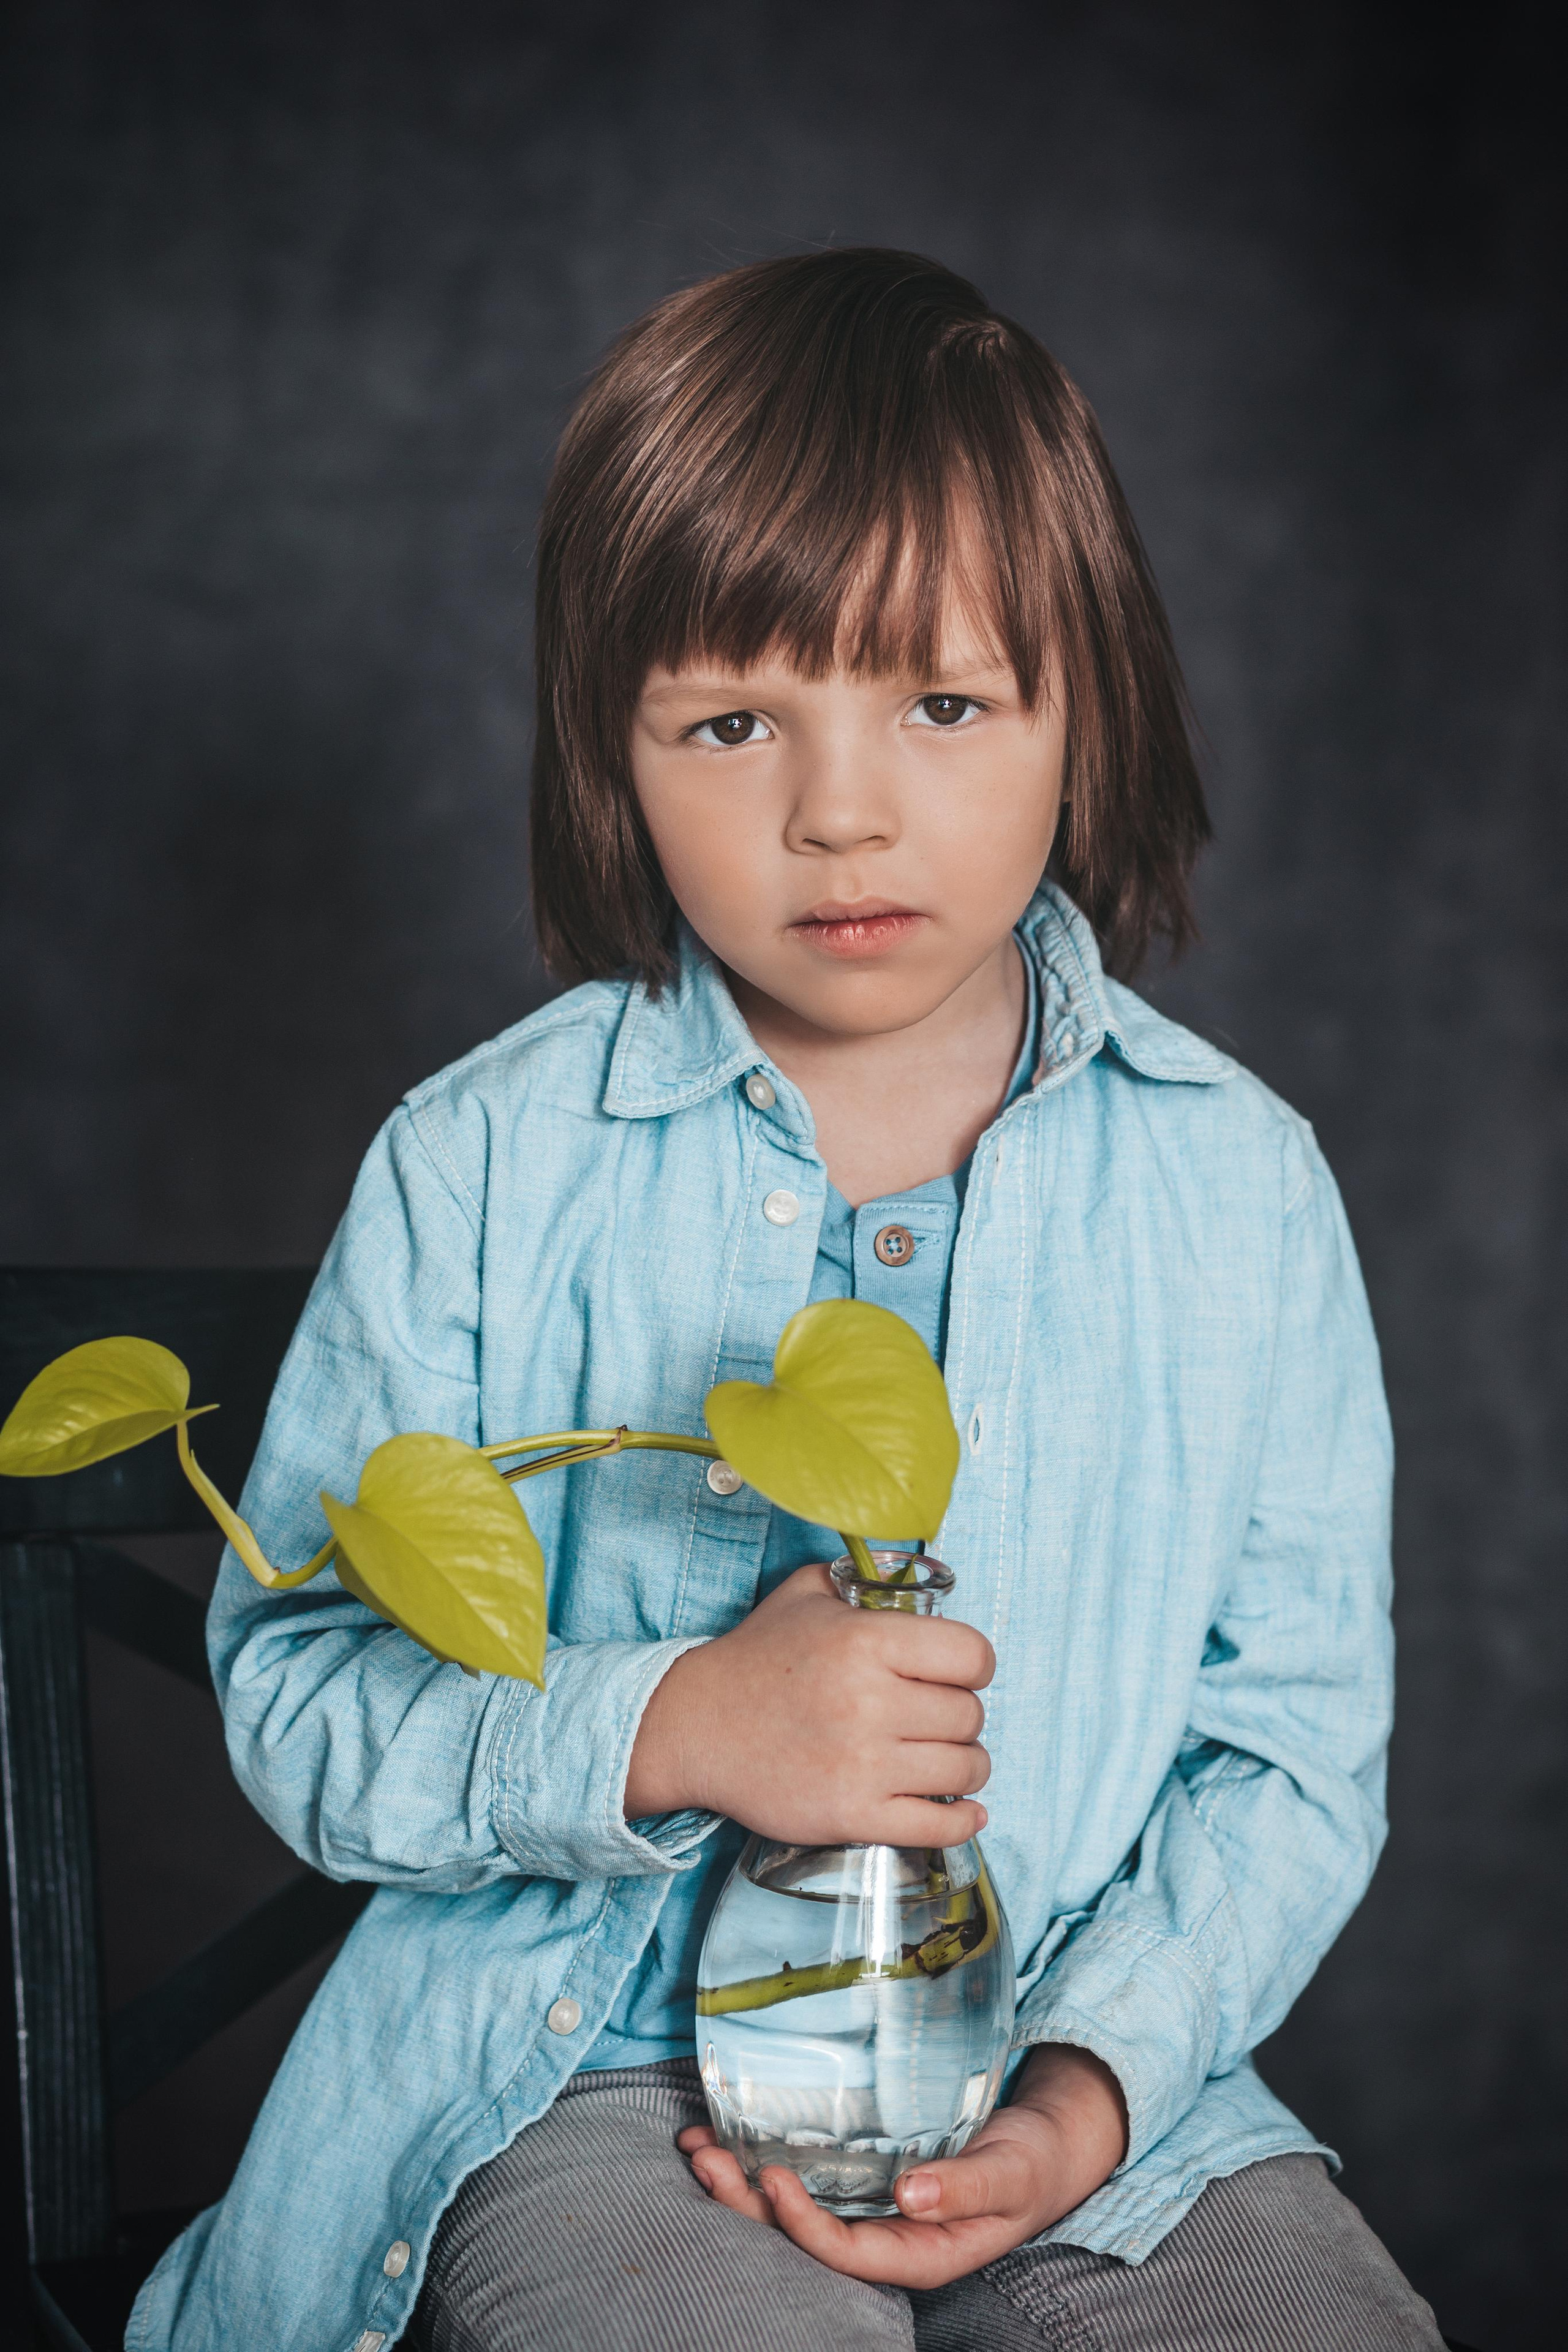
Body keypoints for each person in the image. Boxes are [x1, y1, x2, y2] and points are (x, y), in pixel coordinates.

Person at [129, 250, 1442, 2352]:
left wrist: (1092, 2096)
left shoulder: (1238, 1189)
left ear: (1078, 698)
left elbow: (1290, 1752)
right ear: (614, 750)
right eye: (735, 721)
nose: (842, 810)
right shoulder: (481, 1164)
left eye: (942, 703)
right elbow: (300, 1695)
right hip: (578, 2082)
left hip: (1074, 2075)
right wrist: (674, 1722)